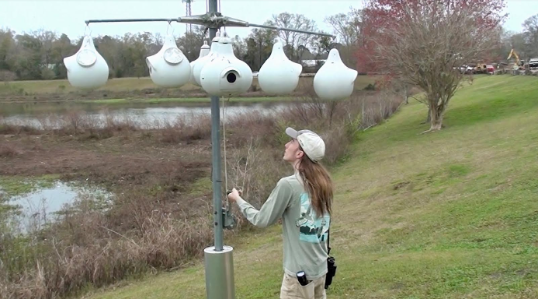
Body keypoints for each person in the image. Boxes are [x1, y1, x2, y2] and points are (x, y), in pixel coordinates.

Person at [227, 127, 334, 299]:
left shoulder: (289, 185)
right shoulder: (323, 182)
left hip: (299, 278)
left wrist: (238, 200)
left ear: (300, 154)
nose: (286, 144)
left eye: (292, 142)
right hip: (320, 270)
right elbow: (311, 223)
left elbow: (261, 219)